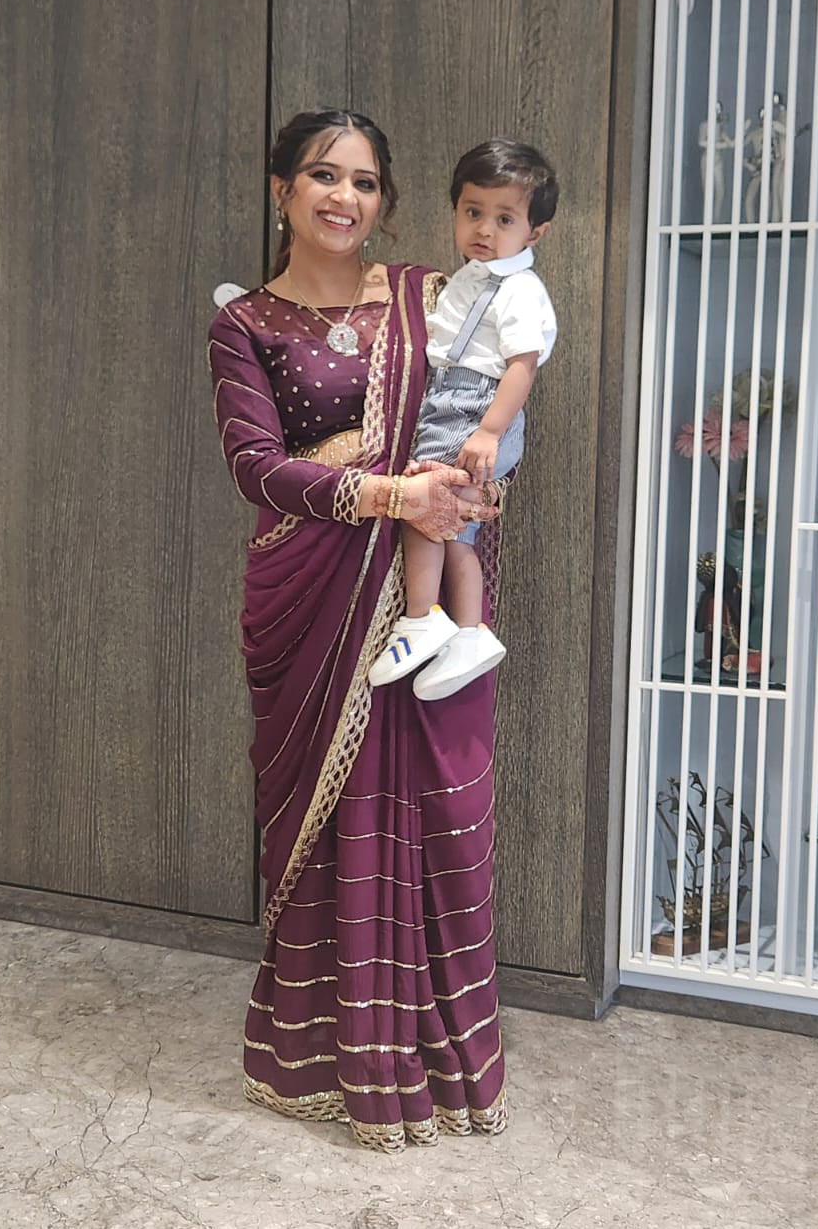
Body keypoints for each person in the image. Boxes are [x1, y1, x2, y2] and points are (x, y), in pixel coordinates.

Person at [208, 108, 510, 1153]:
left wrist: (470, 488)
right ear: (282, 190)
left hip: (430, 601)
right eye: (323, 176)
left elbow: (496, 395)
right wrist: (390, 494)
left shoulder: (431, 298)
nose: (346, 197)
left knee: (428, 812)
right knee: (333, 829)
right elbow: (257, 467)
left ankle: (440, 1066)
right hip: (314, 596)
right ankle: (326, 1068)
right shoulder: (245, 324)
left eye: (367, 181)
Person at [367, 140, 557, 700]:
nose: (484, 228)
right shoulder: (476, 274)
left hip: (472, 404)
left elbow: (523, 366)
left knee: (424, 508)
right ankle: (470, 632)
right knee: (454, 527)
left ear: (535, 233)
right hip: (455, 399)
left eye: (505, 218)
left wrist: (489, 429)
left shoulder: (519, 289)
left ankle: (423, 617)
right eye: (472, 212)